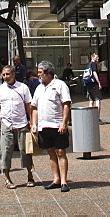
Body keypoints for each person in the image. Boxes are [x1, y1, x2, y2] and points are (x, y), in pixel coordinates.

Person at [0, 64, 36, 189]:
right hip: (6, 123)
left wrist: (32, 122)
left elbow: (29, 105)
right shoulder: (0, 89)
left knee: (25, 150)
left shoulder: (23, 88)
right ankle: (7, 178)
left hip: (21, 123)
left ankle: (29, 175)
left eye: (7, 74)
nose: (5, 77)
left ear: (13, 74)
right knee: (5, 150)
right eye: (3, 75)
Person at [31, 60, 72, 192]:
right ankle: (56, 179)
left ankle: (64, 181)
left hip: (57, 124)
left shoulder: (60, 85)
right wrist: (34, 124)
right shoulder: (39, 88)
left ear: (48, 73)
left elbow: (66, 104)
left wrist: (64, 123)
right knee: (50, 152)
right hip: (44, 126)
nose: (39, 75)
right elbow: (34, 107)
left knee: (60, 151)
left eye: (40, 73)